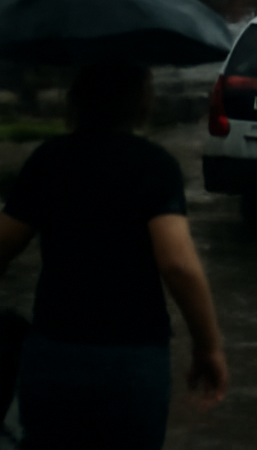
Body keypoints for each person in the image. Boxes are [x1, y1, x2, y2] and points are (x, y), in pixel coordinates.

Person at [0, 58, 227, 449]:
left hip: (54, 351)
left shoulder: (49, 160)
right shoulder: (154, 166)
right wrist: (208, 346)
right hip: (130, 361)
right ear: (141, 103)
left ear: (75, 102)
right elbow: (177, 264)